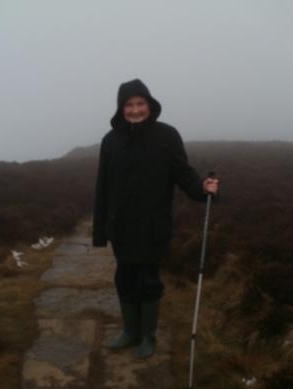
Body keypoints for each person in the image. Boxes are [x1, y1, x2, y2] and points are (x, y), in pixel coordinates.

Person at [92, 79, 218, 359]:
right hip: (121, 227)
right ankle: (130, 331)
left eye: (140, 103)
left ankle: (148, 336)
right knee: (124, 277)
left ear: (149, 105)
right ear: (120, 108)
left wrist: (202, 189)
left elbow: (182, 173)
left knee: (148, 280)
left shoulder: (166, 136)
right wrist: (100, 230)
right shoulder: (110, 141)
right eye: (129, 105)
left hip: (153, 226)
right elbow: (103, 186)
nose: (135, 110)